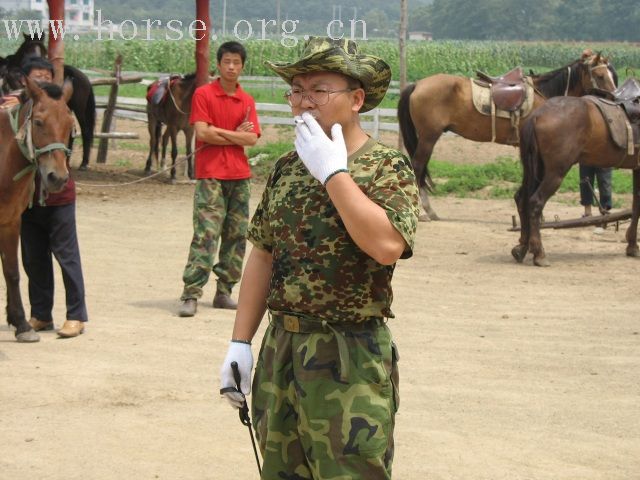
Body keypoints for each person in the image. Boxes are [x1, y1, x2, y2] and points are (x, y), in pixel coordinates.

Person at [218, 37, 420, 479]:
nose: (304, 102)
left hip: (349, 354)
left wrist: (333, 172)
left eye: (319, 90)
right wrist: (240, 343)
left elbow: (386, 245)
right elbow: (263, 254)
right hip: (283, 349)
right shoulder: (287, 168)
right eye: (297, 90)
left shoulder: (386, 168)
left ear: (356, 99)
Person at [178, 41, 260, 317]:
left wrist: (221, 132)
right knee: (207, 233)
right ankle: (191, 292)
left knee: (236, 234)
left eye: (237, 62)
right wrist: (234, 133)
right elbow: (202, 133)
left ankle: (224, 291)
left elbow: (251, 138)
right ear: (218, 63)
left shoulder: (246, 101)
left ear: (243, 66)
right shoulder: (203, 95)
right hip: (210, 174)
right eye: (227, 61)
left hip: (240, 175)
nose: (231, 67)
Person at [17, 56, 88, 338]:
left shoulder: (60, 110)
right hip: (28, 196)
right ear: (27, 82)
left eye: (47, 75)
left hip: (59, 196)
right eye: (37, 76)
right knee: (33, 258)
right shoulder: (18, 110)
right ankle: (41, 314)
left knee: (67, 255)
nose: (43, 80)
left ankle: (76, 315)